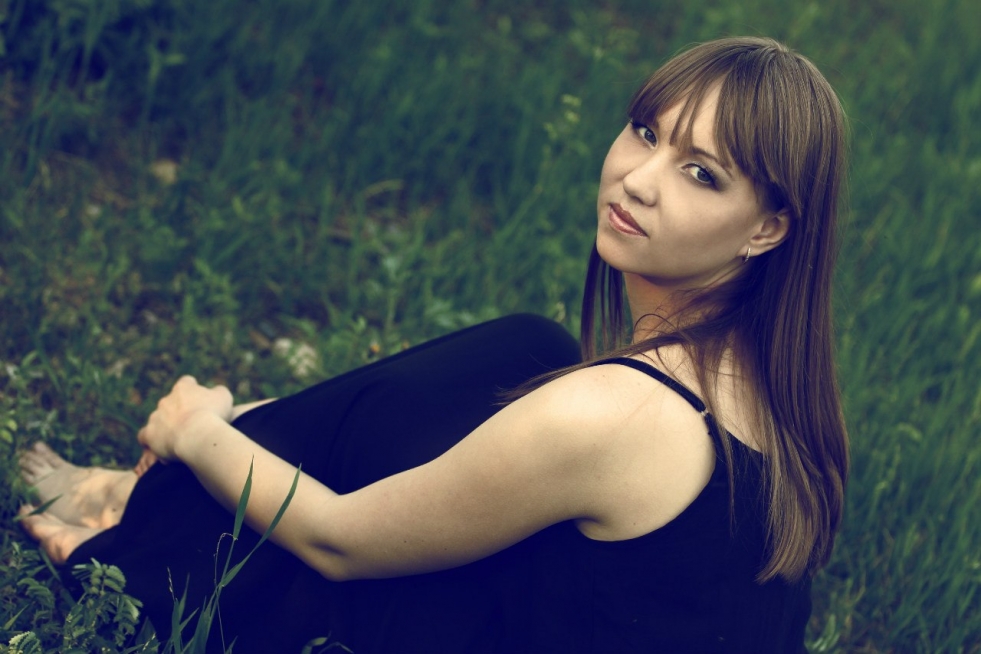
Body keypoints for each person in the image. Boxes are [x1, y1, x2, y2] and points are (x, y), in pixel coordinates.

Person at [17, 36, 849, 653]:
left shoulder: (621, 416)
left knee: (355, 501)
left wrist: (196, 431)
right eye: (644, 131)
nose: (637, 178)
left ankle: (131, 551)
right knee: (520, 354)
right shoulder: (776, 403)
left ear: (768, 229)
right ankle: (144, 507)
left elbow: (340, 541)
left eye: (701, 173)